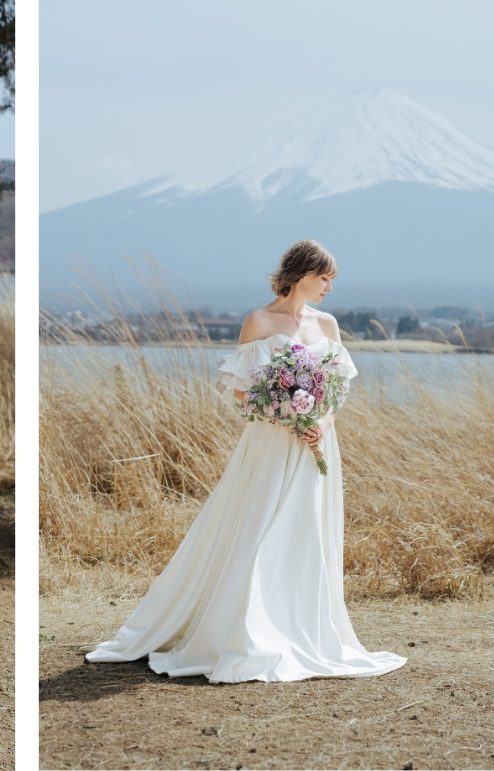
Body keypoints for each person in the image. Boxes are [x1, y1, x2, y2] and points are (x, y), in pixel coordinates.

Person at [84, 240, 405, 683]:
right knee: (258, 529)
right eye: (324, 277)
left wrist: (323, 422)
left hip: (315, 442)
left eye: (332, 279)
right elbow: (241, 390)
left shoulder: (327, 324)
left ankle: (299, 627)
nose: (330, 286)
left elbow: (339, 390)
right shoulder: (258, 322)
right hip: (272, 441)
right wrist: (284, 408)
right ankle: (247, 629)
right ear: (301, 274)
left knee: (307, 529)